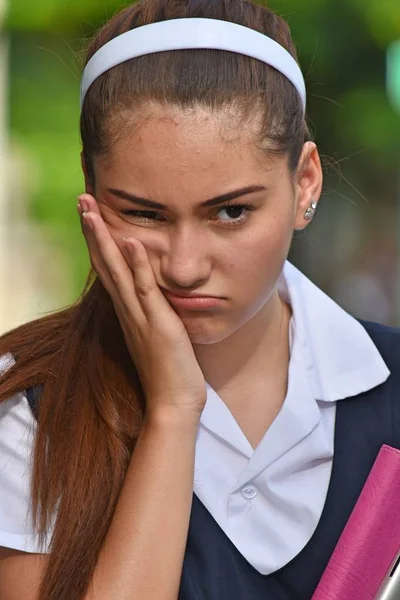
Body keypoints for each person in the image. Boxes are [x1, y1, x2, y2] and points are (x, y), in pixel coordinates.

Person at [0, 1, 399, 599]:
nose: (185, 266)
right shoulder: (30, 402)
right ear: (90, 189)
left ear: (304, 183)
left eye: (231, 211)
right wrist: (173, 410)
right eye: (143, 213)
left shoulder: (388, 386)